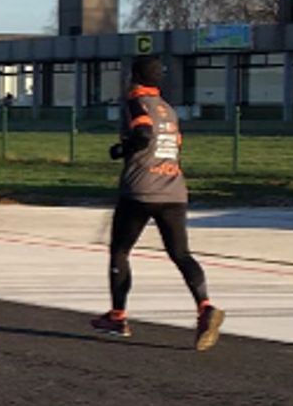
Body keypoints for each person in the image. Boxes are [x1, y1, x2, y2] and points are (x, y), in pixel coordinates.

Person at [92, 55, 223, 351]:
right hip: (173, 190)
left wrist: (121, 149)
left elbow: (142, 134)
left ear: (133, 76)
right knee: (181, 254)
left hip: (140, 191)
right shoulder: (169, 110)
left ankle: (118, 316)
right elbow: (175, 146)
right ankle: (205, 307)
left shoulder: (136, 103)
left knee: (120, 251)